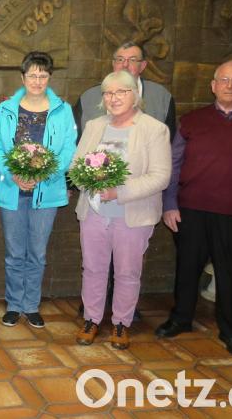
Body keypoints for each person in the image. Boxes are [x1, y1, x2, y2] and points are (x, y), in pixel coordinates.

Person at [156, 59, 232, 358]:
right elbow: (173, 165)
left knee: (229, 274)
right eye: (224, 80)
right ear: (213, 85)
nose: (229, 85)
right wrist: (169, 204)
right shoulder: (191, 121)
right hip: (191, 210)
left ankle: (231, 330)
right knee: (187, 268)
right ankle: (180, 319)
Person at [73, 41, 176, 321]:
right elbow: (75, 166)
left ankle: (121, 323)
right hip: (93, 212)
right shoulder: (94, 126)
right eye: (108, 93)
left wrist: (118, 192)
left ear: (135, 95)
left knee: (128, 273)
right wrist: (91, 186)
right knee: (92, 269)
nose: (114, 98)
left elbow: (160, 176)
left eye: (121, 92)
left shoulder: (154, 130)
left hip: (133, 213)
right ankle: (91, 319)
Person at [0, 51, 77, 329]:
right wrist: (11, 173)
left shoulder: (62, 110)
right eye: (32, 75)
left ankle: (31, 305)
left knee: (37, 252)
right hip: (12, 191)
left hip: (46, 191)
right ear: (22, 77)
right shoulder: (5, 110)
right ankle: (14, 304)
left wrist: (42, 174)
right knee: (15, 252)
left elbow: (68, 148)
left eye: (43, 75)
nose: (37, 81)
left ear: (49, 77)